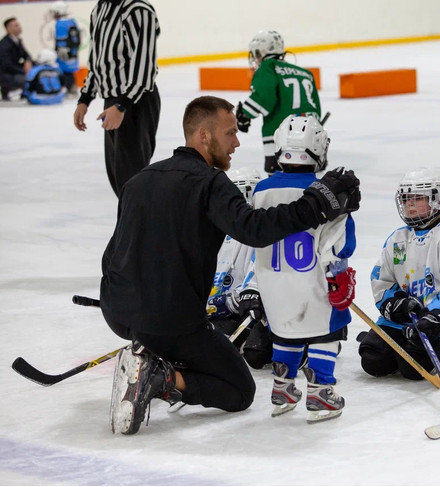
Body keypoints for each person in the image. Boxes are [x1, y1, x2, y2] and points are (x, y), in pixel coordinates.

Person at [103, 96, 360, 435]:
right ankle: (164, 375)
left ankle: (152, 354)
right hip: (169, 320)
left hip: (119, 313)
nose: (237, 142)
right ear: (203, 136)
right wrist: (317, 201)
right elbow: (255, 229)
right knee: (240, 391)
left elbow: (112, 256)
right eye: (230, 133)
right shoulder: (208, 183)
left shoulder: (138, 180)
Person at [253, 114, 356, 423]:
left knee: (285, 333)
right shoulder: (324, 192)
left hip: (272, 287)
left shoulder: (259, 190)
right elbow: (340, 246)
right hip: (313, 285)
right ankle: (320, 392)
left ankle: (282, 390)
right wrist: (339, 276)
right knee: (326, 333)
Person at [359, 167, 440, 382]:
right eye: (406, 199)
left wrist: (434, 316)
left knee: (413, 368)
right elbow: (381, 279)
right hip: (399, 320)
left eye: (417, 198)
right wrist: (394, 304)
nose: (409, 205)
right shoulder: (397, 238)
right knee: (373, 361)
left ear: (439, 200)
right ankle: (404, 345)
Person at [74, 0, 161, 198]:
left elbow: (144, 66)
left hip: (136, 102)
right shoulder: (99, 9)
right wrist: (84, 99)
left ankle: (140, 227)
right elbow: (97, 60)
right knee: (119, 178)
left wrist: (122, 105)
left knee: (132, 177)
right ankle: (132, 226)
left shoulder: (139, 10)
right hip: (112, 102)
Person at [206, 166, 273, 370]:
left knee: (257, 352)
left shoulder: (263, 232)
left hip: (258, 313)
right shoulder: (218, 232)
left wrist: (227, 302)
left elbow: (257, 283)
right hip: (228, 312)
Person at [236, 30, 322, 175]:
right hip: (309, 136)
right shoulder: (306, 73)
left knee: (279, 182)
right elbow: (315, 109)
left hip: (280, 135)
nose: (256, 58)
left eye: (257, 53)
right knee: (307, 181)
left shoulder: (268, 67)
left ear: (263, 52)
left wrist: (244, 115)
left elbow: (264, 97)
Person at [0, 17, 32, 101]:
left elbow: (26, 55)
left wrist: (28, 61)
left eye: (19, 25)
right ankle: (8, 90)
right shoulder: (3, 45)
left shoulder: (17, 41)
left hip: (14, 70)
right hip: (4, 74)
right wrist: (25, 72)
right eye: (16, 26)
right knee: (28, 78)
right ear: (8, 29)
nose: (19, 27)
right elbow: (7, 65)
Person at [49, 0, 80, 94]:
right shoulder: (72, 21)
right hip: (73, 52)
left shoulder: (60, 24)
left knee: (65, 71)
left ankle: (68, 88)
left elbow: (61, 41)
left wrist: (60, 51)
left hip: (64, 53)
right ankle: (72, 87)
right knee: (70, 71)